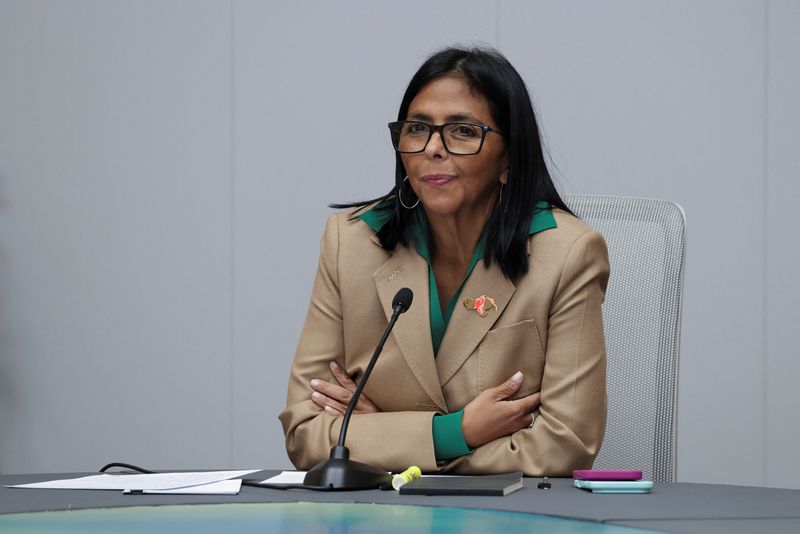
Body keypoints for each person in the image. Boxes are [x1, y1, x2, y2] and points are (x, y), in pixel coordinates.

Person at [279, 46, 609, 476]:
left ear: (510, 157)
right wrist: (455, 433)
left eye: (463, 131)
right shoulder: (350, 243)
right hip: (376, 511)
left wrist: (381, 437)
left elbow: (565, 445)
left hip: (506, 511)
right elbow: (305, 432)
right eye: (417, 129)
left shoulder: (568, 253)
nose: (433, 148)